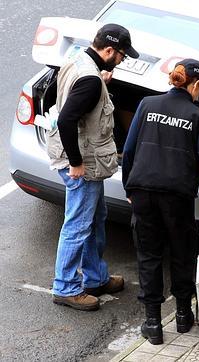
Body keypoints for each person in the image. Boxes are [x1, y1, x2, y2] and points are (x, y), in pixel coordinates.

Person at [121, 59, 199, 345]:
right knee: (181, 253)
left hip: (142, 190)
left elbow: (128, 151)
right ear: (197, 85)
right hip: (177, 195)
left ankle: (152, 323)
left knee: (149, 255)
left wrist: (130, 186)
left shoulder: (146, 104)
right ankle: (182, 316)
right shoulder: (198, 117)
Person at [47, 24, 139, 311]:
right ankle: (65, 287)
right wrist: (75, 163)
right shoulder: (89, 79)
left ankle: (96, 278)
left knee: (95, 217)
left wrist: (100, 83)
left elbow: (55, 96)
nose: (122, 60)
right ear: (109, 50)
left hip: (82, 158)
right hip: (83, 164)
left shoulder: (77, 59)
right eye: (122, 55)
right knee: (77, 225)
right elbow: (65, 120)